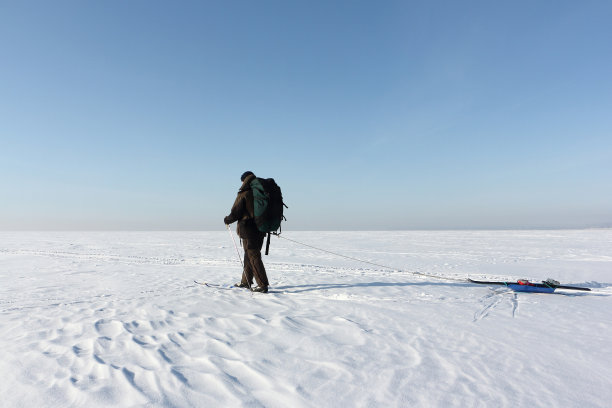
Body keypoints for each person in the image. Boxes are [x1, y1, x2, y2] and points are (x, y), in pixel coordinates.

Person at [224, 171, 269, 293]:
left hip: (249, 230)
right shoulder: (261, 192)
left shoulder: (245, 193)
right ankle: (246, 282)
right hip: (261, 229)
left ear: (244, 180)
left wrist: (227, 219)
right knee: (249, 255)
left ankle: (262, 285)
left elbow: (236, 212)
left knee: (253, 255)